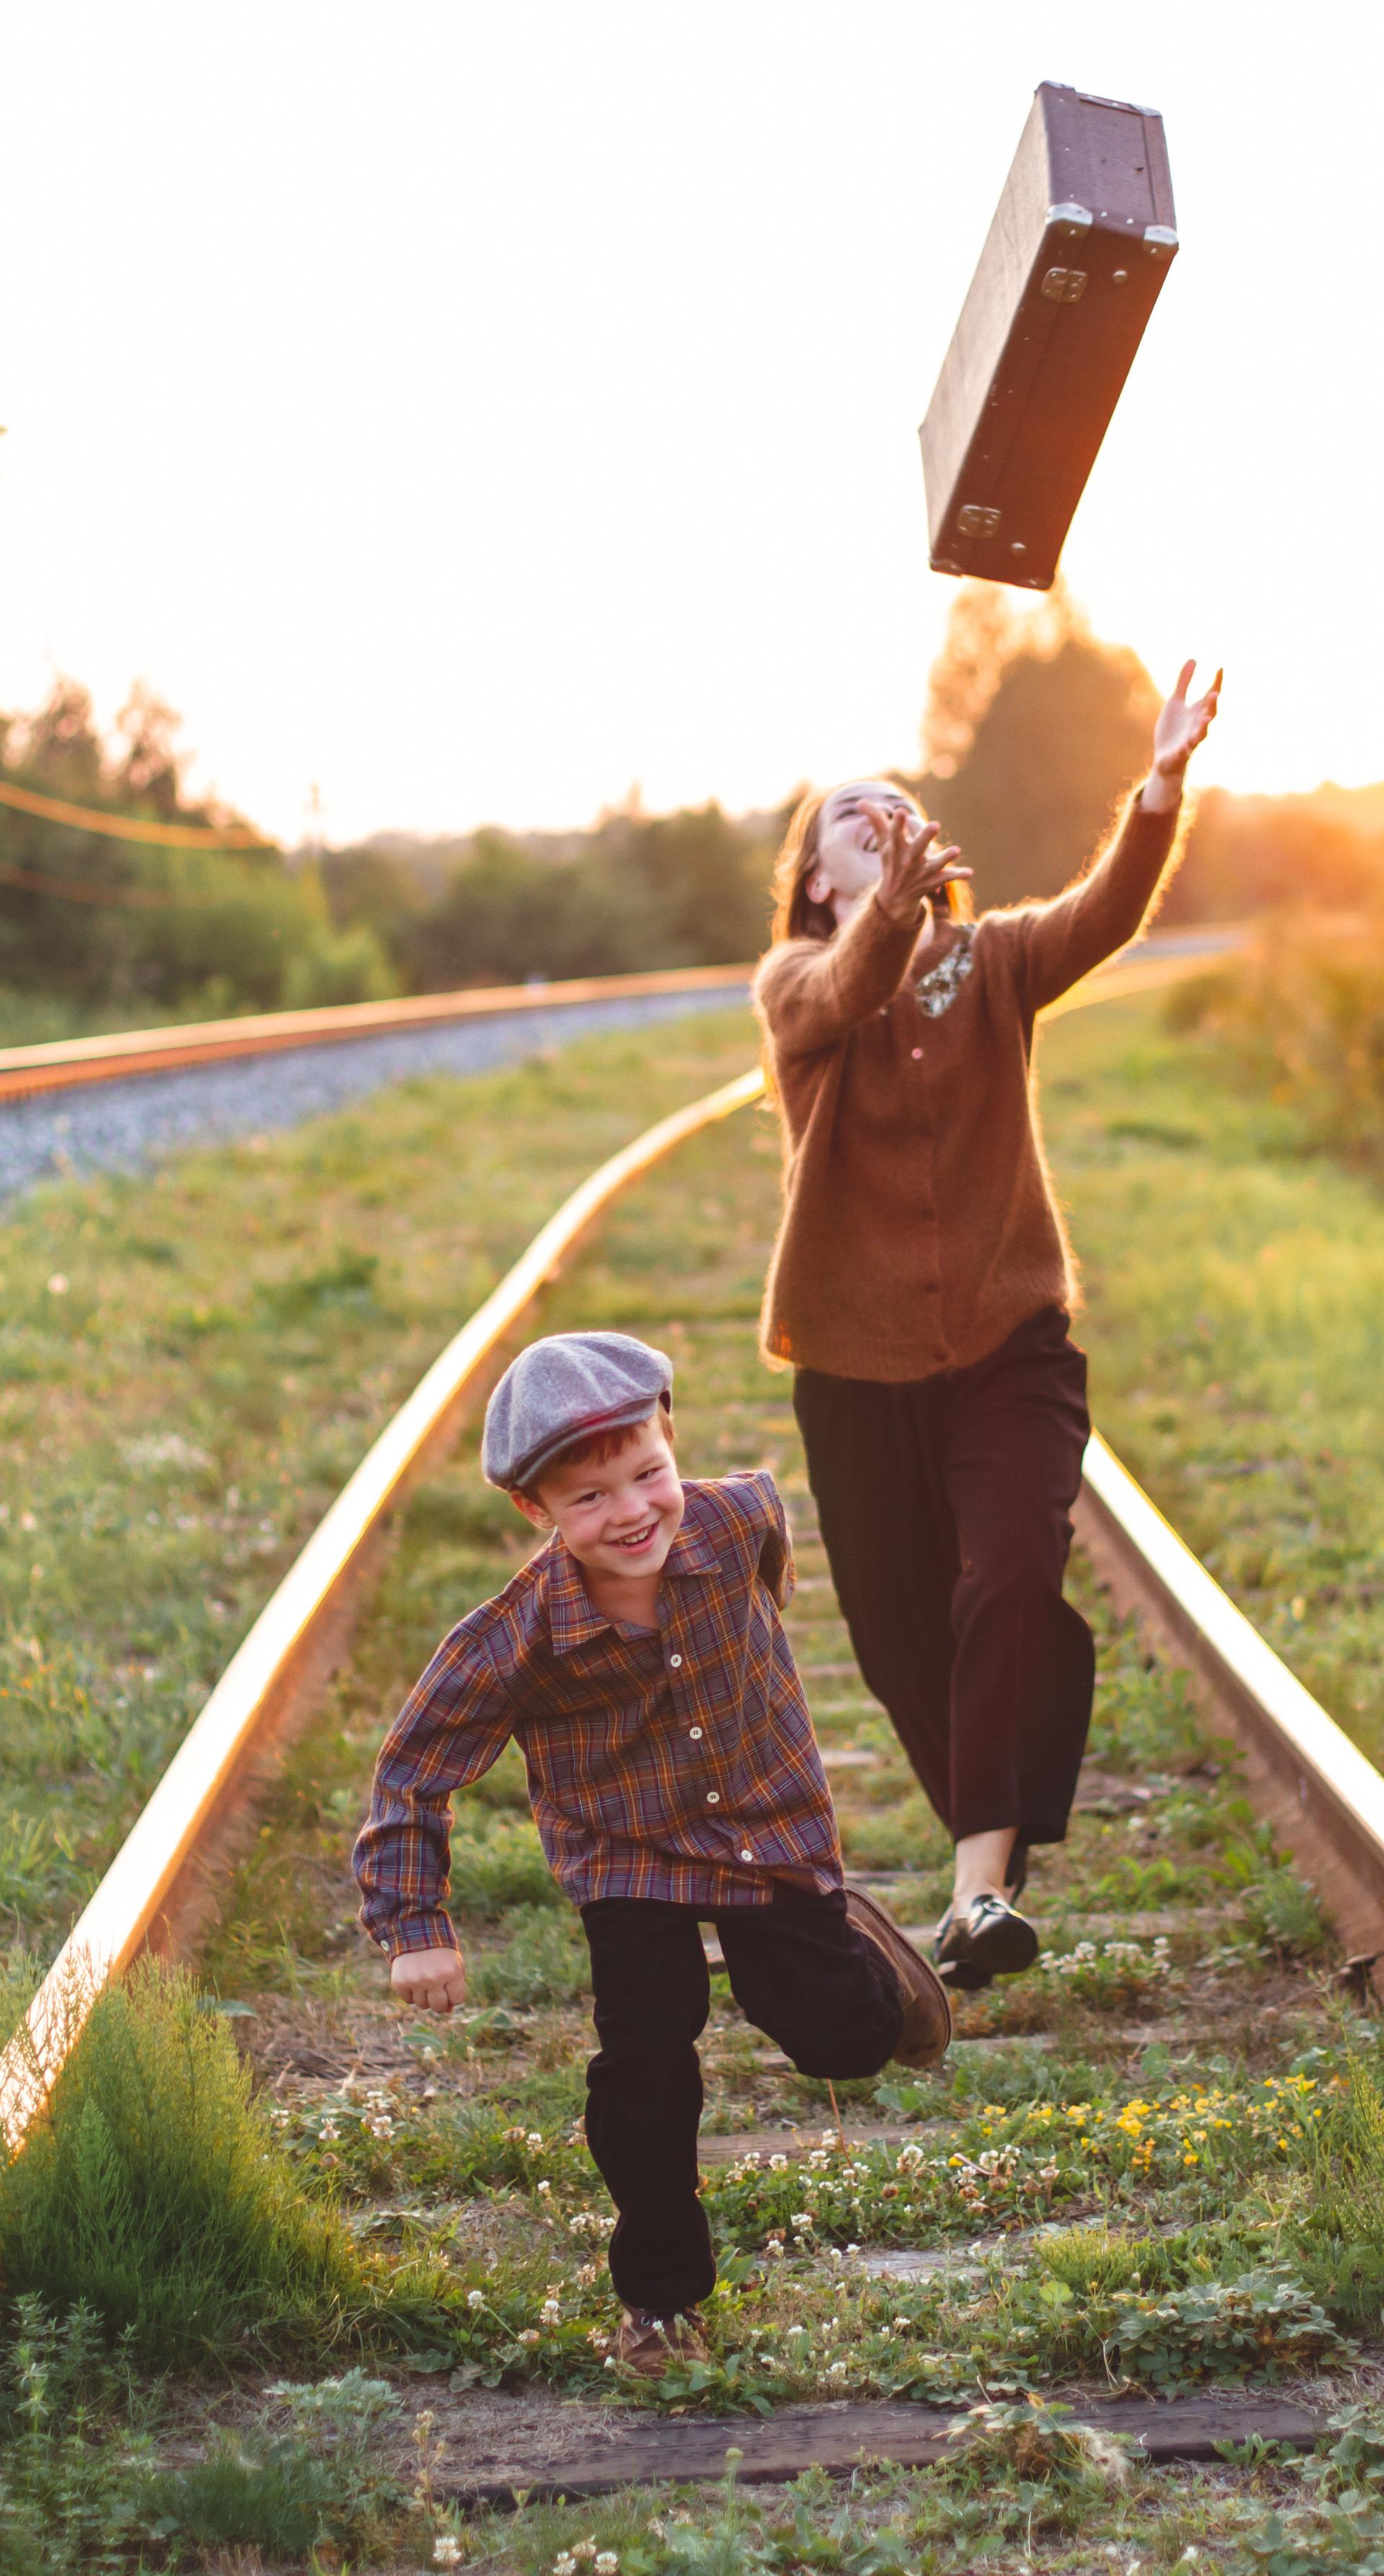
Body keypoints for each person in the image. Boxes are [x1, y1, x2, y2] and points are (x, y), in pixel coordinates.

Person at [351, 1328, 950, 2372]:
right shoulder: (511, 1639)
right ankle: (662, 2302)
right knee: (645, 2069)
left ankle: (859, 1948)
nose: (631, 1512)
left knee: (841, 2041)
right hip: (627, 1860)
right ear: (535, 1512)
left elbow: (772, 1561)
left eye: (648, 1476)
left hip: (768, 1827)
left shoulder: (741, 1512)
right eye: (589, 1500)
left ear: (676, 1450)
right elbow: (413, 1770)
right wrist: (416, 1929)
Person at [754, 660, 1221, 1988]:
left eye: (897, 802)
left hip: (1011, 1347)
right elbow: (840, 996)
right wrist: (887, 923)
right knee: (906, 1640)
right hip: (856, 1372)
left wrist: (1159, 788)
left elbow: (1105, 912)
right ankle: (987, 1860)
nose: (881, 814)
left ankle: (976, 1897)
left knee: (1011, 1573)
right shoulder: (795, 986)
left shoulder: (998, 959)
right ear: (821, 879)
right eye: (853, 814)